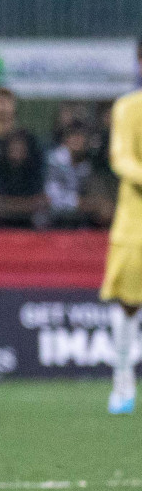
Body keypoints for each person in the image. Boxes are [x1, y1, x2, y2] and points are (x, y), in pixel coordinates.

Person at [102, 41, 142, 414]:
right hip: (136, 226)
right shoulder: (128, 108)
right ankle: (122, 383)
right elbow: (122, 159)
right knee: (129, 304)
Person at [0, 130, 46, 228]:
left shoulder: (36, 168)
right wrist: (26, 204)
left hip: (31, 223)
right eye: (13, 144)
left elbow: (40, 201)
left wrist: (10, 205)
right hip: (2, 223)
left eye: (21, 145)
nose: (17, 148)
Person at [46, 121, 97, 228]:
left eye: (81, 136)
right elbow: (52, 197)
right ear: (66, 139)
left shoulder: (89, 164)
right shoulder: (54, 160)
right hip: (54, 220)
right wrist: (79, 203)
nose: (77, 140)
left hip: (81, 221)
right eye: (73, 136)